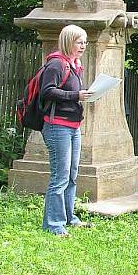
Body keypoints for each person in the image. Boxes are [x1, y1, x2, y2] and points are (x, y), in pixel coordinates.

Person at [41, 24, 93, 237]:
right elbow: (47, 92)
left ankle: (69, 217)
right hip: (57, 127)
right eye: (79, 41)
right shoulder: (56, 64)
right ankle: (54, 224)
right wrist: (76, 96)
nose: (83, 46)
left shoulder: (75, 65)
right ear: (68, 41)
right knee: (59, 177)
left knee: (72, 175)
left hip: (73, 127)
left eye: (85, 42)